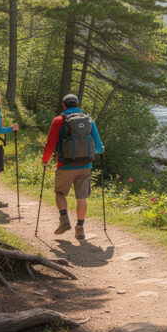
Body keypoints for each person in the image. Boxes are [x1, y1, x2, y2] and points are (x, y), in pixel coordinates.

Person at [42, 94, 104, 240]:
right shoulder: (89, 120)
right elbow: (99, 147)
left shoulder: (59, 120)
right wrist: (100, 149)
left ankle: (64, 219)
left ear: (64, 105)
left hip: (65, 164)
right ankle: (80, 229)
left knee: (60, 193)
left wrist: (45, 160)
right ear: (78, 104)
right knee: (81, 198)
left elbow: (50, 144)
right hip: (86, 165)